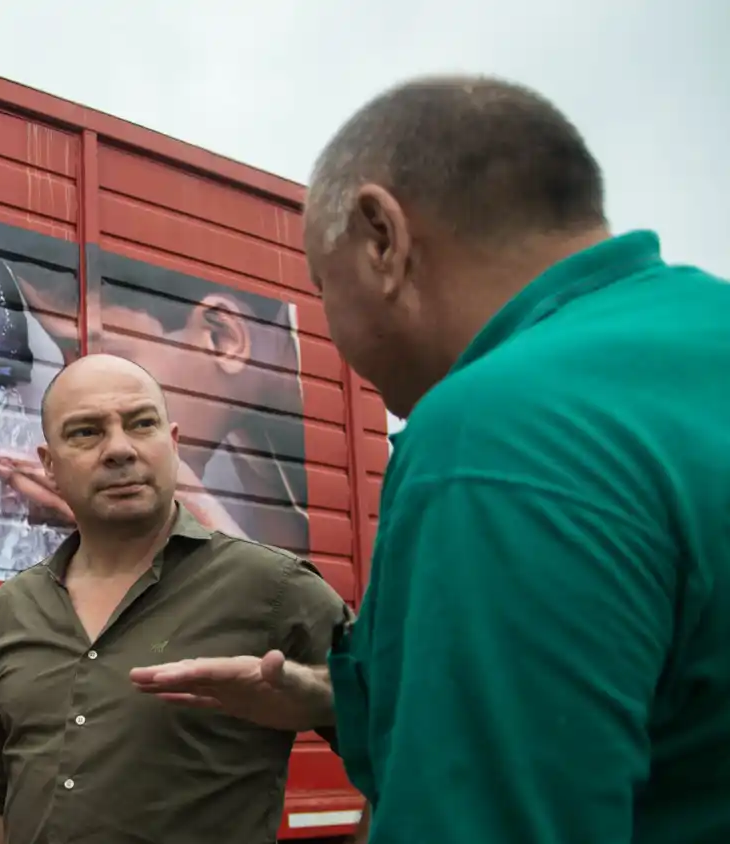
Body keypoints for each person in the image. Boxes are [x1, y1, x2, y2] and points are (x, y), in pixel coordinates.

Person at [130, 74, 730, 844]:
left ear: (383, 238)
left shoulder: (495, 435)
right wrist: (330, 700)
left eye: (323, 285)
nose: (337, 336)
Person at [0, 353, 349, 844]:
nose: (120, 449)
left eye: (142, 424)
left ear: (173, 443)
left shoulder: (273, 586)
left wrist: (317, 694)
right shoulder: (7, 612)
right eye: (86, 432)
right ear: (49, 466)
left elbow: (406, 728)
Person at [0, 222, 311, 552]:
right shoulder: (250, 427)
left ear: (221, 338)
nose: (77, 391)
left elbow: (296, 598)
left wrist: (182, 514)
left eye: (103, 357)